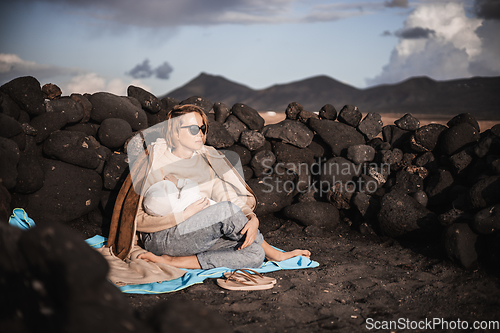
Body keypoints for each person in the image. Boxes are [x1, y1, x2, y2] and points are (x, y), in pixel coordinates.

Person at [135, 104, 310, 270]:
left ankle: (174, 261)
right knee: (226, 211)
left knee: (255, 254)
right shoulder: (156, 160)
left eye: (203, 128)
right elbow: (139, 219)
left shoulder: (207, 159)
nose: (200, 134)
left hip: (198, 236)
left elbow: (227, 197)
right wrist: (183, 215)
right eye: (193, 129)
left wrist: (252, 218)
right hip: (163, 236)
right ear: (174, 132)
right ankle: (276, 255)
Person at [142, 174, 216, 217]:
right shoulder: (187, 197)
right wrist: (178, 182)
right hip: (216, 210)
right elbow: (193, 185)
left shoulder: (174, 216)